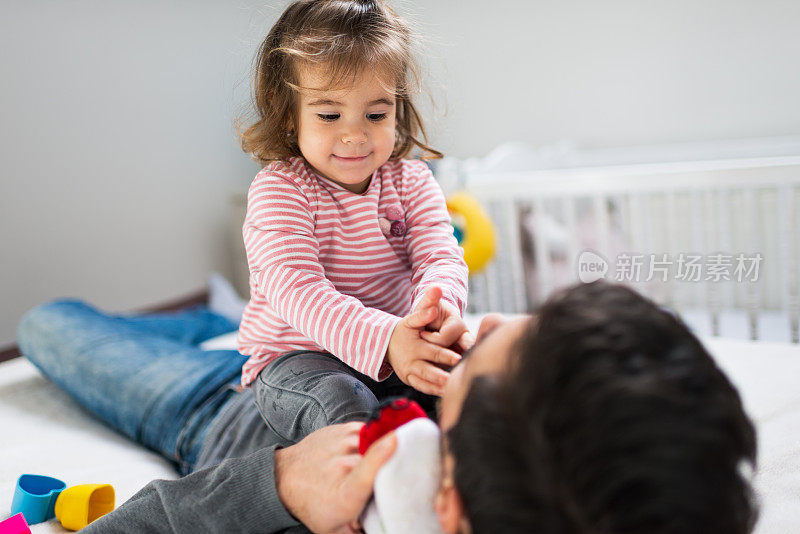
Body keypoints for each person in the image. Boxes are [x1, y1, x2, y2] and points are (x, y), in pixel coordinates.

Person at [17, 281, 758, 533]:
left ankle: (211, 323)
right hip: (302, 353)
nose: (489, 323)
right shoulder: (529, 471)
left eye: (471, 372)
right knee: (254, 319)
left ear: (450, 499)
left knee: (42, 323)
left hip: (212, 408)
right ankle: (224, 321)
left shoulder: (347, 508)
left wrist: (273, 483)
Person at [234, 0, 470, 446]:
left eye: (376, 115)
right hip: (301, 359)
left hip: (399, 344)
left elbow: (441, 254)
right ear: (289, 112)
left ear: (396, 110)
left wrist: (438, 311)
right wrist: (386, 339)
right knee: (344, 402)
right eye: (329, 115)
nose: (355, 135)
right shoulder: (280, 190)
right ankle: (379, 497)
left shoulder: (412, 180)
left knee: (469, 384)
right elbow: (297, 289)